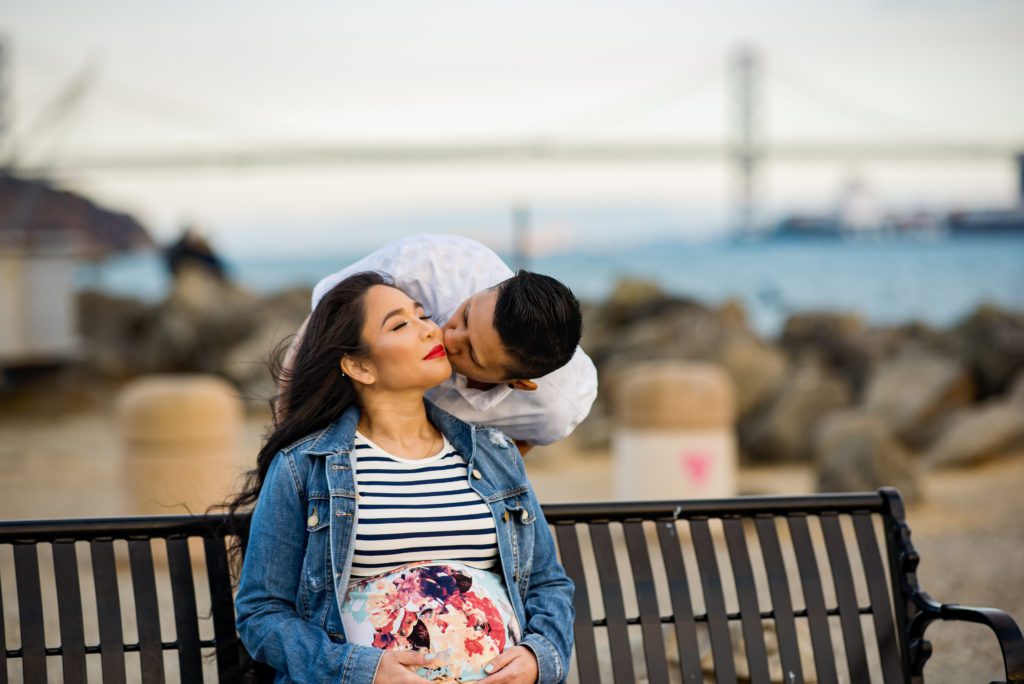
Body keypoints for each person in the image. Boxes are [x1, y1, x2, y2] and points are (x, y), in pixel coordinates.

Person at [234, 271, 574, 683]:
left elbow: (547, 583)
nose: (430, 330)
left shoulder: (494, 454)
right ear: (359, 366)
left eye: (422, 315)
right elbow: (262, 612)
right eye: (399, 325)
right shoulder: (304, 466)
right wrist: (363, 671)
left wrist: (539, 658)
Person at [282, 234, 597, 453]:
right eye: (465, 315)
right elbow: (324, 321)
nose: (447, 336)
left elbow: (520, 450)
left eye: (472, 353)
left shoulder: (558, 406)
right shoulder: (422, 266)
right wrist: (286, 436)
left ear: (518, 383)